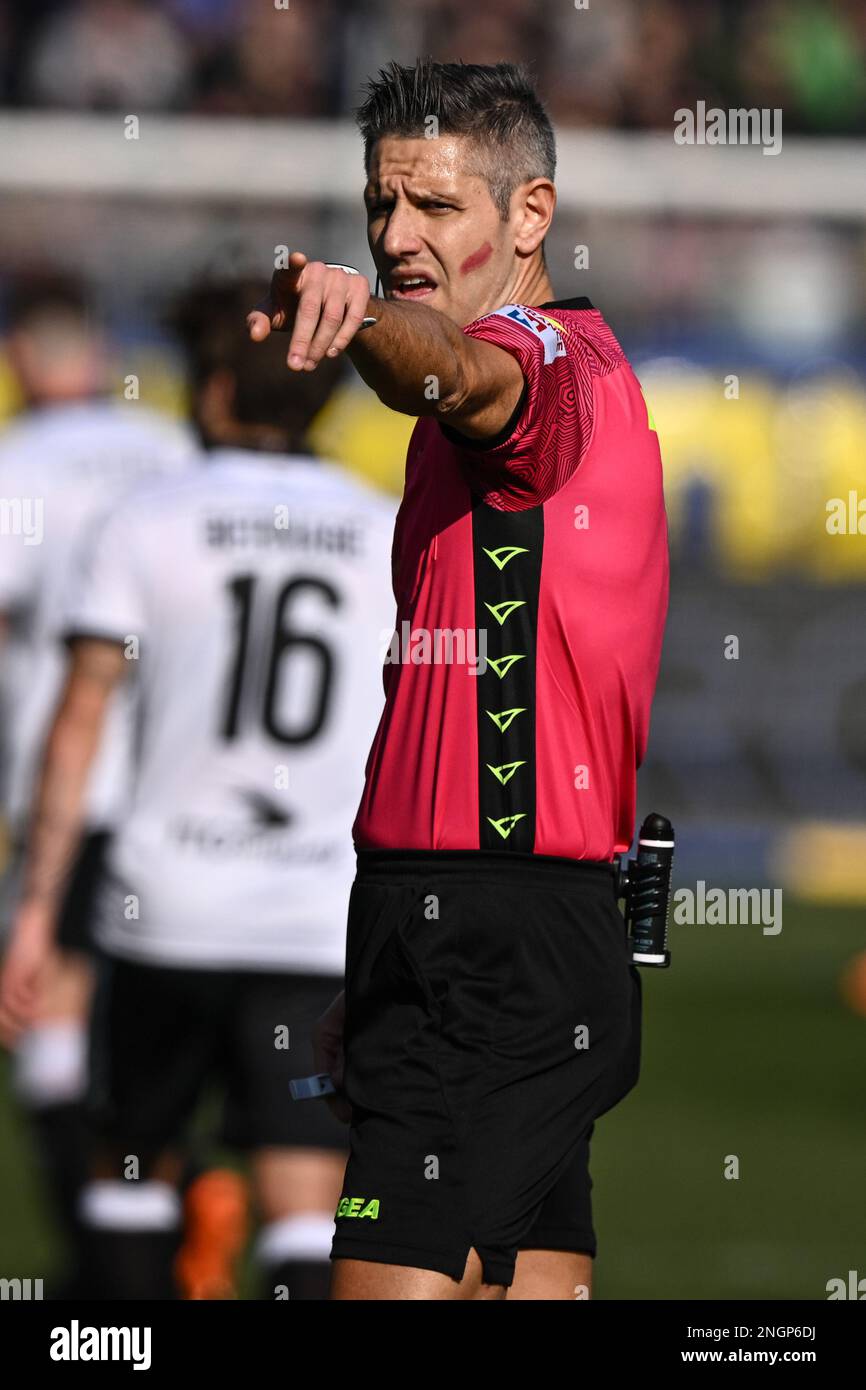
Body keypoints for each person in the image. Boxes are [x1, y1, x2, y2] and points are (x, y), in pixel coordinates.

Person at [248, 59, 670, 1301]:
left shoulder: (532, 361)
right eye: (382, 206)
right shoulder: (574, 374)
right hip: (487, 926)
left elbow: (450, 370)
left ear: (529, 215)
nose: (394, 235)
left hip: (484, 927)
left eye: (435, 207)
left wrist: (359, 317)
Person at [0, 282, 395, 1299]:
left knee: (130, 1162)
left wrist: (38, 907)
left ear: (214, 391)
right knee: (307, 1194)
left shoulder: (150, 517)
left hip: (163, 907)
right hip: (315, 910)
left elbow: (81, 716)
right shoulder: (385, 531)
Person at [0, 275, 194, 1295]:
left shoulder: (15, 463)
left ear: (24, 357)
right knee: (175, 1031)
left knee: (52, 1019)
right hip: (190, 791)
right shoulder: (172, 447)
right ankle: (178, 1214)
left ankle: (109, 1275)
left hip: (76, 790)